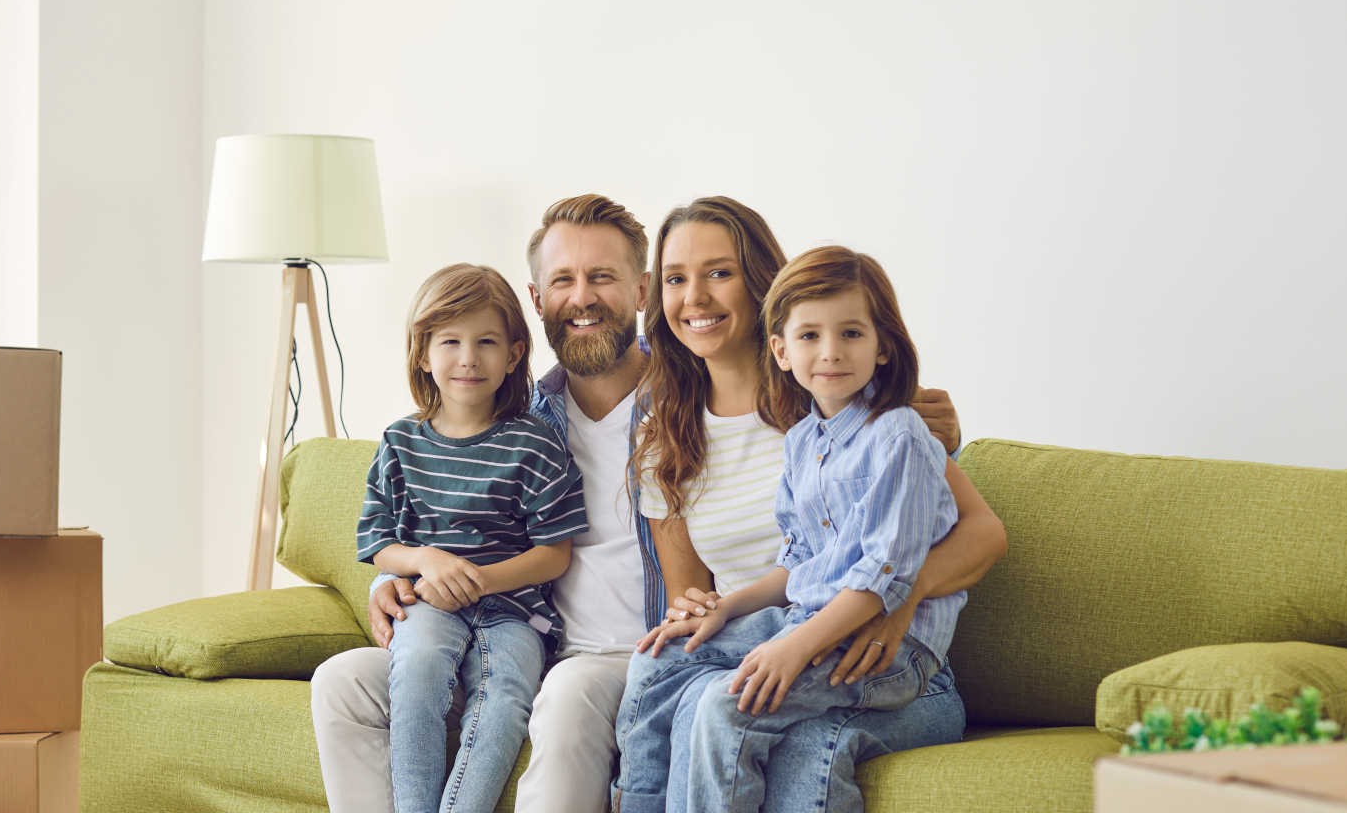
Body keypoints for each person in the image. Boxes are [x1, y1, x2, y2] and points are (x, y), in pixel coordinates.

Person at [313, 195, 1000, 813]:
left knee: (596, 696)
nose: (584, 298)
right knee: (343, 681)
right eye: (564, 280)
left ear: (638, 290)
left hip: (742, 650)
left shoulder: (827, 401)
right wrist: (397, 574)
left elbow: (956, 527)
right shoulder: (545, 420)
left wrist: (891, 599)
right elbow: (462, 514)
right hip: (535, 637)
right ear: (538, 299)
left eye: (603, 277)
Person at [612, 198, 1002, 813]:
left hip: (868, 641)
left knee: (733, 712)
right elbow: (735, 580)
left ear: (761, 283)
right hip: (784, 623)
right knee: (663, 668)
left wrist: (899, 600)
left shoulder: (852, 404)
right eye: (675, 278)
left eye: (720, 272)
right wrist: (708, 609)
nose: (695, 297)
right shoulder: (678, 435)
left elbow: (976, 534)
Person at [360, 263, 589, 813]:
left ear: (513, 355)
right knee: (416, 673)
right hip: (428, 603)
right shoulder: (400, 442)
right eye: (451, 342)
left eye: (486, 342)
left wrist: (479, 580)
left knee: (506, 697)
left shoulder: (534, 443)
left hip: (515, 613)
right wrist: (426, 560)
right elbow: (378, 542)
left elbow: (554, 553)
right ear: (422, 353)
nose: (468, 358)